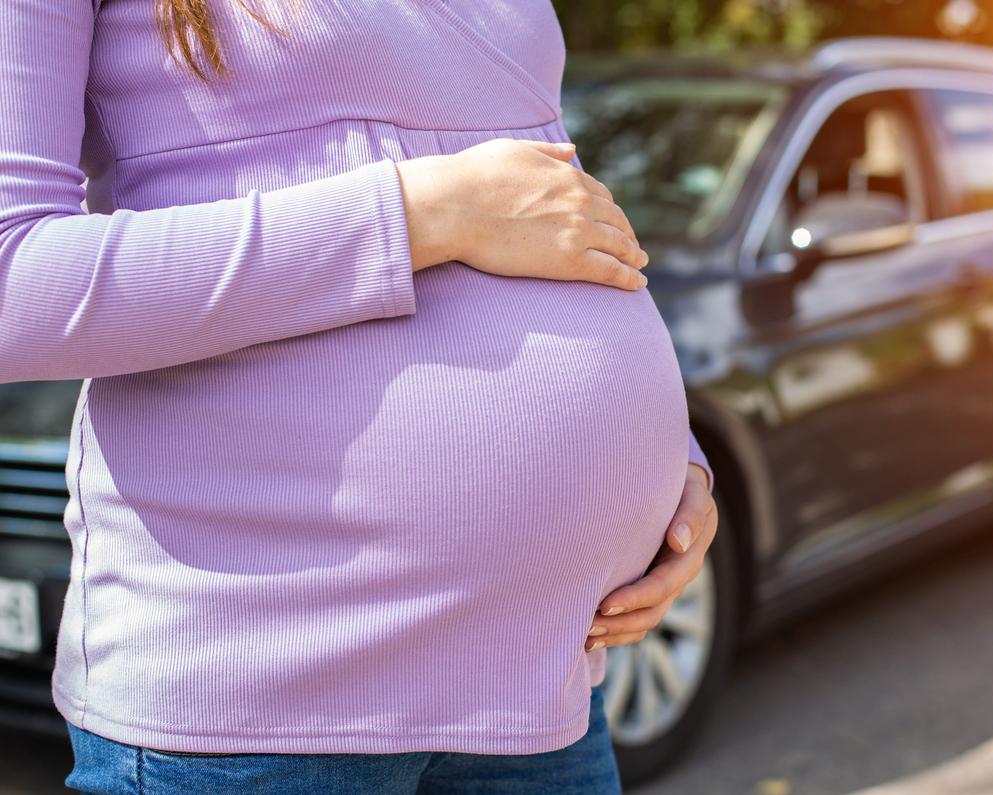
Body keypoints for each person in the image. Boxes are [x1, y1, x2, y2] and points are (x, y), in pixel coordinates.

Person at [0, 1, 719, 792]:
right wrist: (420, 214)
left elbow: (554, 207)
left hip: (538, 685)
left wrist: (665, 464)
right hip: (261, 703)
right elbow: (14, 285)